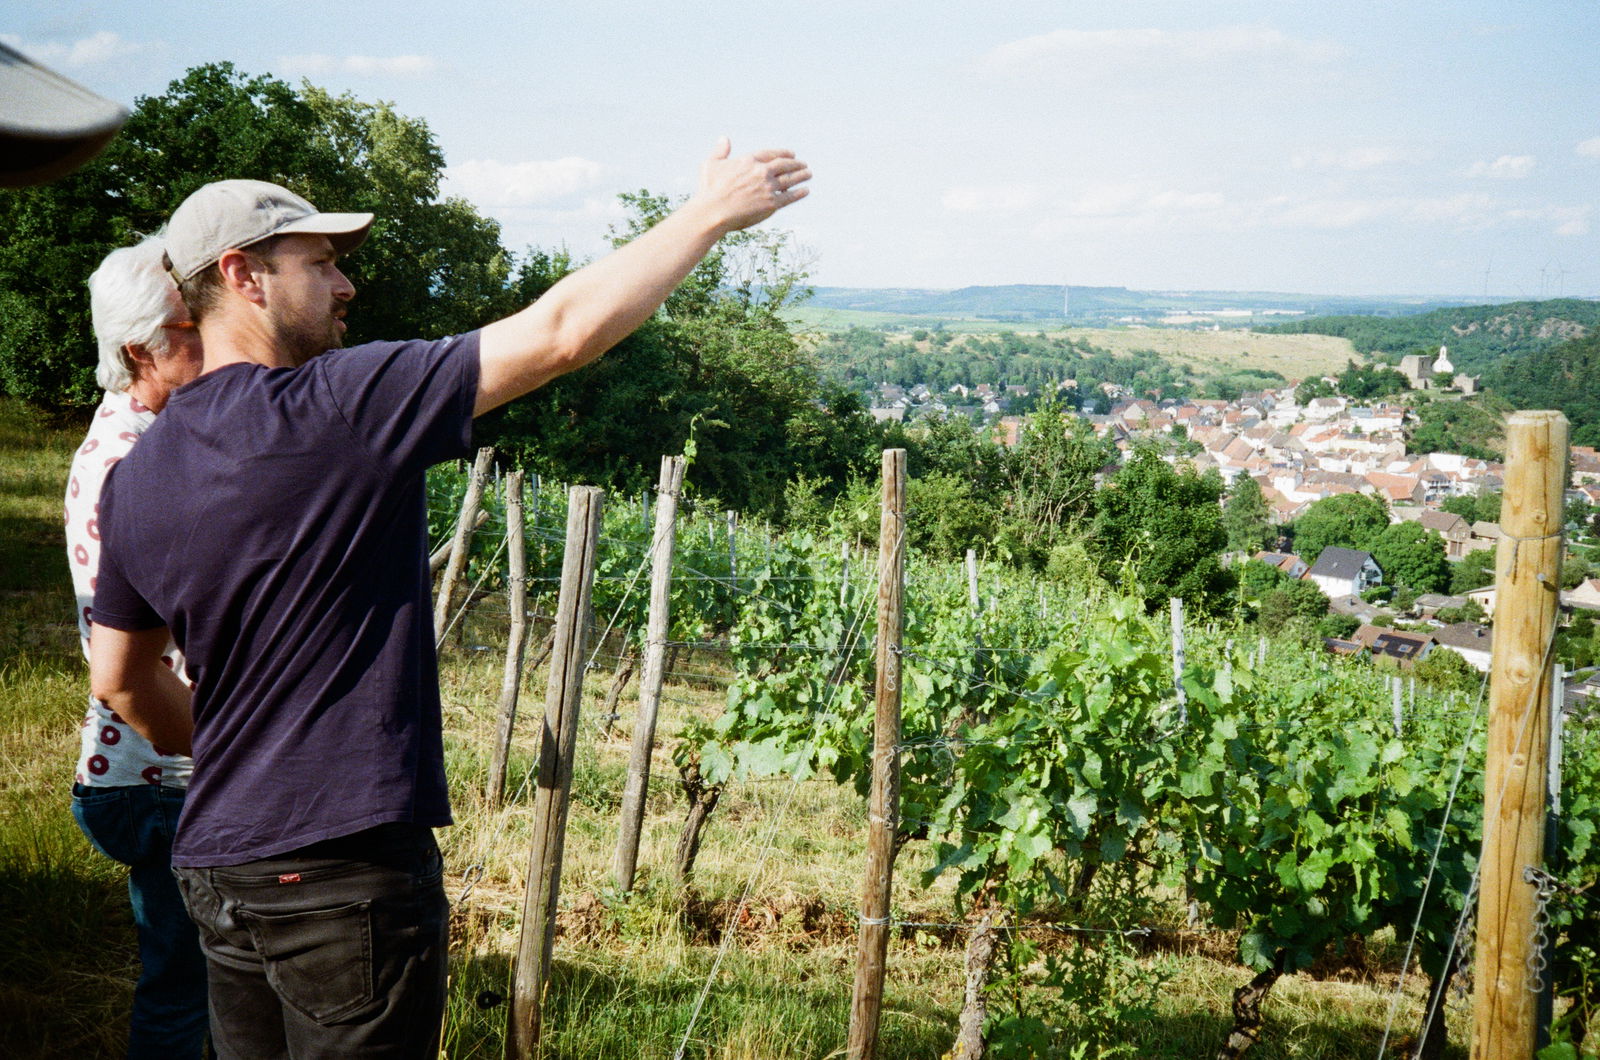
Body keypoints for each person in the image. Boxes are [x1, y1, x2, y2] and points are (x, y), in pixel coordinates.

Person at [88, 138, 810, 1056]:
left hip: (219, 868)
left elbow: (119, 678)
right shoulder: (338, 405)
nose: (346, 286)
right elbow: (561, 334)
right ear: (242, 276)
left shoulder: (138, 473)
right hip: (343, 873)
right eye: (321, 263)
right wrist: (708, 215)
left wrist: (241, 747)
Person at [66, 235, 207, 1058]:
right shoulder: (137, 458)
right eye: (192, 328)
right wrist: (232, 750)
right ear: (138, 350)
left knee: (188, 981)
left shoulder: (124, 430)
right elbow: (131, 671)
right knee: (187, 994)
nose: (211, 341)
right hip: (162, 772)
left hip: (139, 769)